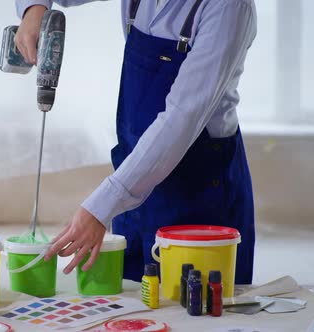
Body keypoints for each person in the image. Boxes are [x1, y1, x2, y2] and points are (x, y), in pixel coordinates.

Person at [14, 0, 256, 284]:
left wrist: (102, 204)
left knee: (197, 307)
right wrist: (34, 10)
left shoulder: (228, 7)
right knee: (136, 304)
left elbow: (182, 118)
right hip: (136, 180)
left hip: (199, 188)